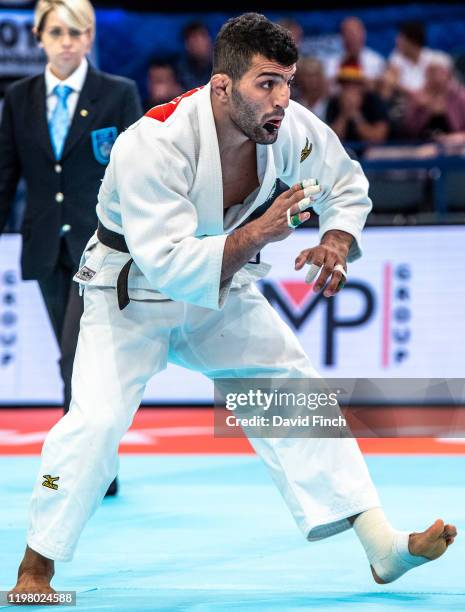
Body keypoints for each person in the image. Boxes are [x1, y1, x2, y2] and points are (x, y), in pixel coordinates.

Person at [9, 12, 456, 597]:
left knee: (293, 390)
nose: (283, 98)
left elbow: (347, 185)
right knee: (94, 422)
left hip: (223, 290)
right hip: (130, 292)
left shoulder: (290, 126)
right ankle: (34, 569)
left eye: (289, 81)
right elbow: (169, 263)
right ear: (222, 85)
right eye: (267, 83)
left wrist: (335, 241)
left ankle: (382, 548)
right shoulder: (154, 141)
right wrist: (261, 234)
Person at [0, 0, 142, 497]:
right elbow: (6, 174)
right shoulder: (18, 98)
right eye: (56, 31)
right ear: (39, 36)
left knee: (76, 356)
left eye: (76, 31)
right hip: (44, 244)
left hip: (102, 247)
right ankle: (96, 460)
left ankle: (83, 463)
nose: (66, 40)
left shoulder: (118, 93)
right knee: (76, 359)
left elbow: (139, 172)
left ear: (89, 37)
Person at [403, 54, 465, 140]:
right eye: (428, 71)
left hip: (454, 146)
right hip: (421, 146)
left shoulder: (460, 96)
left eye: (434, 70)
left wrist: (453, 138)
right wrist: (418, 109)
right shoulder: (417, 95)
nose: (429, 74)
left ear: (447, 73)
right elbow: (408, 131)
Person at [326, 63, 389, 144]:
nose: (350, 88)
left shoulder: (374, 101)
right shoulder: (334, 102)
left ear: (362, 86)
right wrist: (344, 114)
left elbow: (378, 138)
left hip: (369, 151)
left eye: (354, 84)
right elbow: (332, 140)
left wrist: (356, 115)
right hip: (343, 149)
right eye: (345, 84)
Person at [388, 21, 452, 94]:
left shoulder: (439, 59)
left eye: (401, 37)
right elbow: (389, 89)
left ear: (412, 40)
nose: (396, 41)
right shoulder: (395, 59)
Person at [325, 17, 386, 87]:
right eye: (348, 33)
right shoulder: (331, 62)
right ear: (342, 37)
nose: (352, 38)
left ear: (363, 34)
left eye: (354, 33)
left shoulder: (376, 61)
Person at [176, 21, 213, 90]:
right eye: (194, 39)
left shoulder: (223, 65)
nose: (199, 44)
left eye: (202, 36)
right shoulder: (179, 70)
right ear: (187, 45)